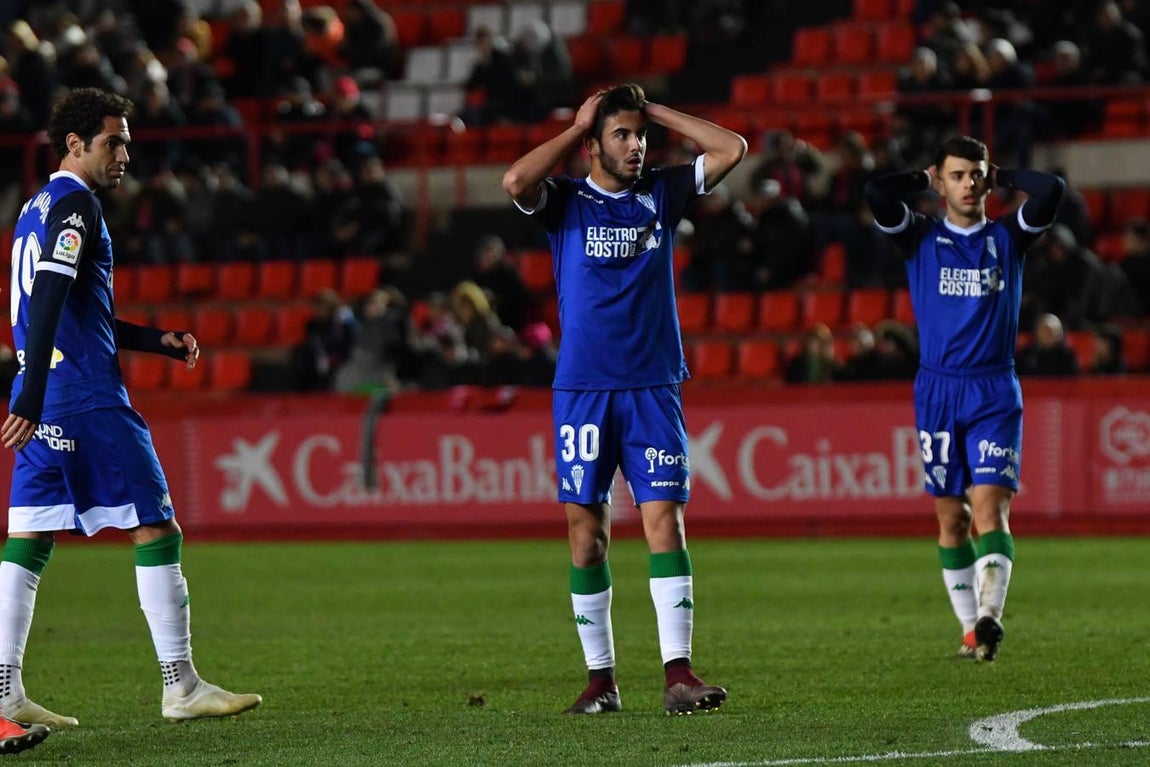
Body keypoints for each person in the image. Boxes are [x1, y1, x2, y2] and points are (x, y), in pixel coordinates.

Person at [0, 88, 262, 727]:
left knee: (27, 539)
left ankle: (3, 690)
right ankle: (181, 685)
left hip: (44, 388)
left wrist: (154, 341)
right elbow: (56, 291)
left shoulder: (34, 208)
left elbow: (70, 306)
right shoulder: (77, 206)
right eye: (113, 141)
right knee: (156, 525)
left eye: (127, 142)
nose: (124, 154)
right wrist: (34, 395)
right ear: (75, 143)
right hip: (85, 398)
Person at [502, 84, 746, 715]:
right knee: (588, 538)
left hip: (652, 385)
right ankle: (601, 681)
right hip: (583, 389)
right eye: (621, 135)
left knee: (665, 521)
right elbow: (513, 181)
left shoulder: (663, 192)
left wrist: (653, 109)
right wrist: (575, 121)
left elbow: (732, 147)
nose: (636, 146)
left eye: (640, 136)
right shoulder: (564, 200)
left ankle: (679, 674)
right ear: (592, 145)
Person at [863, 135, 1064, 663]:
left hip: (995, 388)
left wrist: (1005, 174)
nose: (969, 184)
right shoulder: (921, 239)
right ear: (941, 180)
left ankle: (990, 616)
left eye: (976, 174)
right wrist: (919, 182)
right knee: (951, 517)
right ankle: (971, 633)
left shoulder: (1007, 237)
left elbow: (1052, 190)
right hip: (938, 389)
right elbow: (876, 193)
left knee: (989, 506)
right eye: (957, 175)